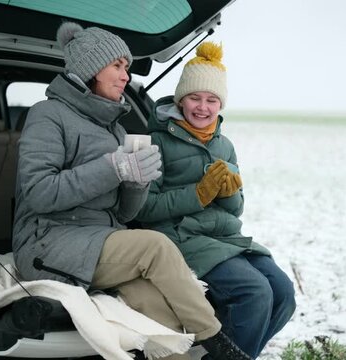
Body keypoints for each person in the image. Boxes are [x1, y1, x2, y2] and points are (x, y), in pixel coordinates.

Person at [12, 22, 251, 360]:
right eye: (117, 66)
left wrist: (136, 183)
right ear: (92, 68)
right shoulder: (48, 115)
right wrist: (115, 168)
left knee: (166, 326)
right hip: (47, 243)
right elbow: (39, 193)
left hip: (100, 242)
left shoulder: (115, 127)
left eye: (126, 67)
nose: (126, 75)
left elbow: (124, 215)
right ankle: (220, 345)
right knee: (154, 245)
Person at [136, 42, 296, 359]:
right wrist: (198, 194)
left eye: (212, 100)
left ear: (220, 104)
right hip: (180, 237)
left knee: (284, 293)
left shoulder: (226, 146)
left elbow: (237, 210)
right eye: (195, 97)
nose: (202, 107)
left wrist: (230, 192)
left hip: (225, 237)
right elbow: (145, 209)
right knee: (255, 292)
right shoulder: (155, 142)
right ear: (181, 99)